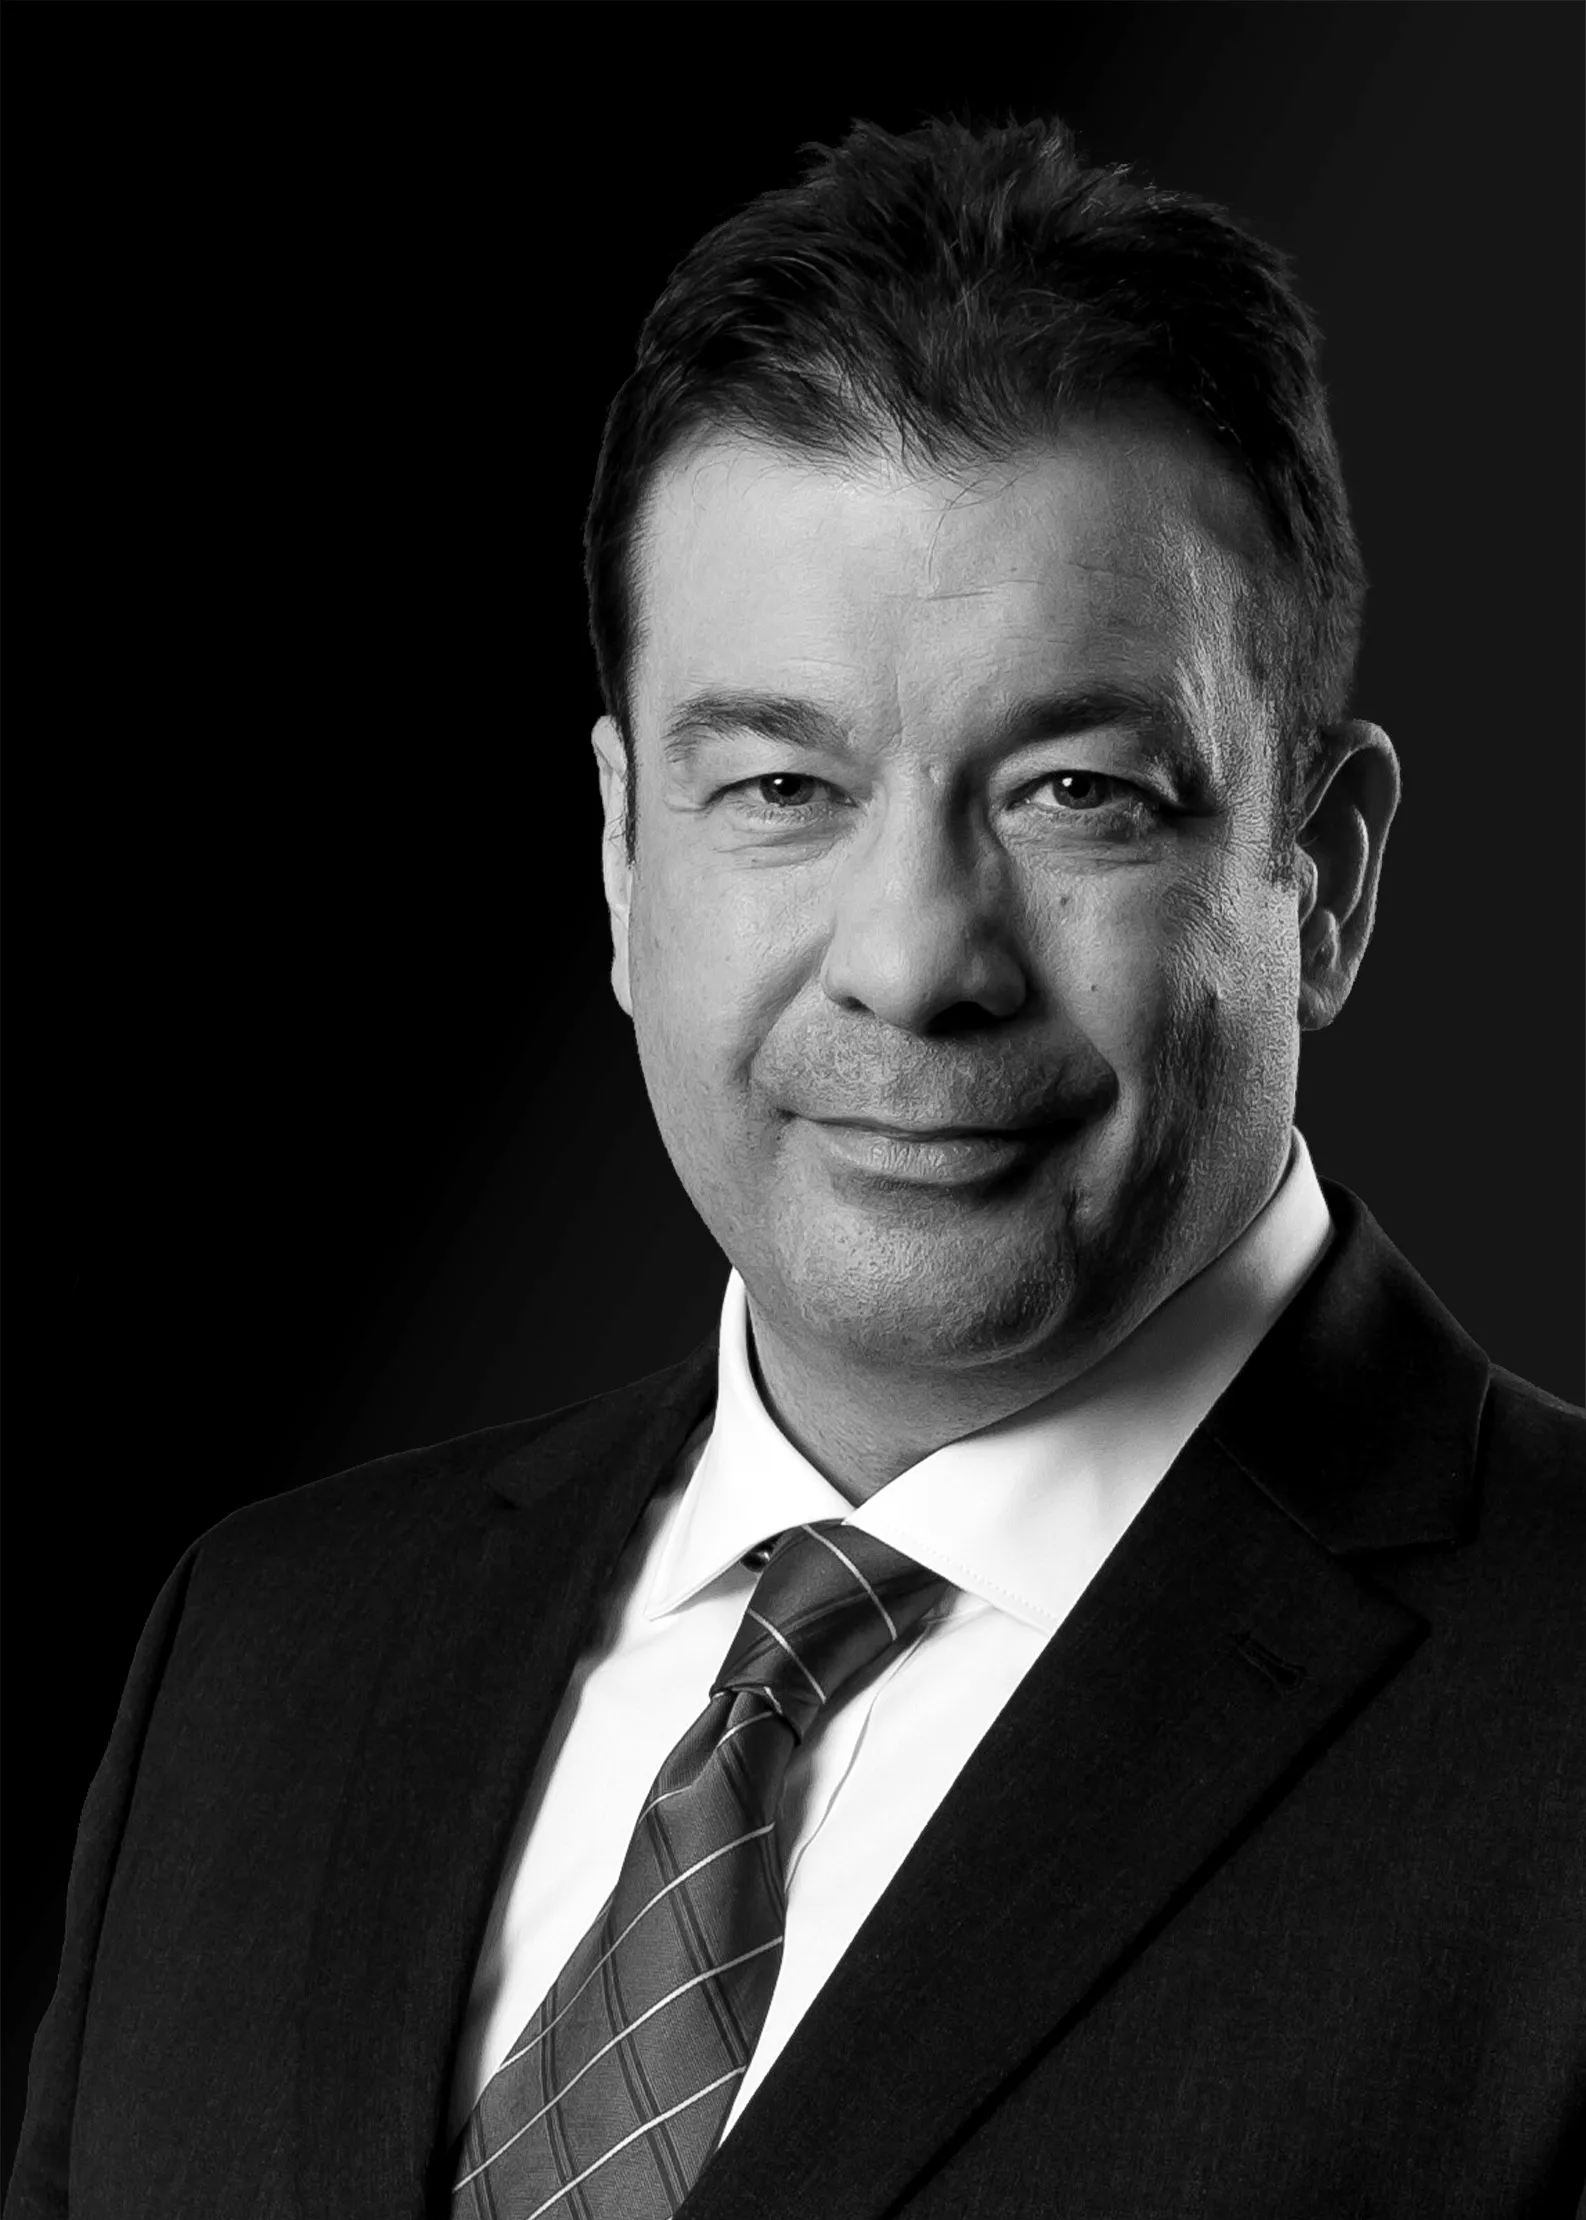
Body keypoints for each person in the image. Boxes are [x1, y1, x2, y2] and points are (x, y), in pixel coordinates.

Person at [8, 111, 1583, 2220]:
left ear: (1325, 876)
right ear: (617, 850)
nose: (916, 960)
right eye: (777, 782)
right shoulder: (265, 1659)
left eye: (1076, 792)